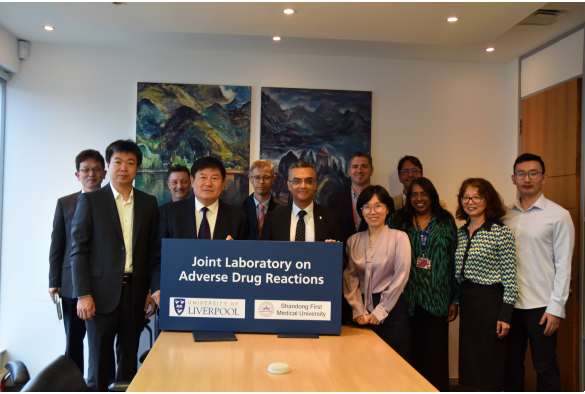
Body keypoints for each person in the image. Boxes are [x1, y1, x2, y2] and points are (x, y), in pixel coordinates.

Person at [71, 140, 160, 391]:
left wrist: (150, 291)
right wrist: (83, 294)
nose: (124, 168)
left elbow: (153, 252)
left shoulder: (148, 203)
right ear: (108, 166)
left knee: (129, 357)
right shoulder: (91, 201)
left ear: (138, 169)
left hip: (135, 293)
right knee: (99, 359)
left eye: (130, 163)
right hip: (98, 295)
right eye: (118, 162)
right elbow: (78, 251)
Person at [503, 153, 574, 392]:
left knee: (545, 368)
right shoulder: (505, 216)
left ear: (544, 177)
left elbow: (564, 266)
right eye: (521, 174)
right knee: (511, 367)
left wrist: (556, 308)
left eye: (533, 173)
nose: (527, 179)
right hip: (510, 305)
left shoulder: (559, 215)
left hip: (542, 307)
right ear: (513, 178)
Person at [387, 177, 458, 392]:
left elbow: (455, 260)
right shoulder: (397, 221)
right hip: (405, 298)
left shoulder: (446, 221)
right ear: (407, 198)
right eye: (414, 194)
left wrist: (454, 298)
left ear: (432, 196)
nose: (419, 199)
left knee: (435, 356)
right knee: (408, 355)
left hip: (437, 299)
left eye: (424, 194)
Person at [454, 178, 518, 392]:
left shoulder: (500, 232)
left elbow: (510, 277)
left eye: (476, 197)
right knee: (471, 358)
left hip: (491, 303)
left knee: (490, 359)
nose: (470, 201)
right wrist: (455, 300)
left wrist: (505, 315)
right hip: (468, 303)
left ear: (487, 199)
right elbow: (457, 275)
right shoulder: (460, 233)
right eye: (465, 197)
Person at [48, 149, 107, 374]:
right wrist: (54, 280)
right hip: (71, 283)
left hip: (104, 284)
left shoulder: (113, 203)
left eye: (96, 170)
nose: (91, 174)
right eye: (85, 170)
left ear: (104, 173)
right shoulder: (65, 203)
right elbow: (57, 245)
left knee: (101, 342)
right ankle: (73, 385)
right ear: (77, 174)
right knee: (74, 340)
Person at [343, 185, 411, 361]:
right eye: (366, 206)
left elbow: (400, 276)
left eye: (378, 206)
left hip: (391, 308)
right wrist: (357, 309)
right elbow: (350, 277)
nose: (372, 211)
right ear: (361, 211)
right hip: (361, 312)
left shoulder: (400, 238)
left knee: (393, 364)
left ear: (387, 209)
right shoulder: (353, 240)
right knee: (362, 363)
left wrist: (381, 310)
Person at [158, 156, 249, 241]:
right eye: (203, 177)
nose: (208, 183)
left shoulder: (238, 219)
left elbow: (243, 256)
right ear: (192, 181)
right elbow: (158, 253)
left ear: (223, 183)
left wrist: (234, 250)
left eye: (214, 178)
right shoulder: (170, 213)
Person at [260, 161, 343, 242]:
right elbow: (264, 254)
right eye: (296, 181)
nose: (303, 186)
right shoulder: (272, 219)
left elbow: (341, 255)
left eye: (309, 181)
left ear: (315, 185)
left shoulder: (332, 218)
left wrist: (332, 252)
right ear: (289, 185)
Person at [327, 152, 390, 243]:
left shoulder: (383, 199)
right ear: (349, 171)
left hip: (375, 253)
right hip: (342, 255)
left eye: (364, 166)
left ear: (371, 170)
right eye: (355, 167)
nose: (359, 170)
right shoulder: (334, 200)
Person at [241, 159, 287, 240]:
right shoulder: (238, 208)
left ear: (273, 179)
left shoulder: (284, 209)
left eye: (266, 177)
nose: (261, 182)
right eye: (257, 177)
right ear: (250, 179)